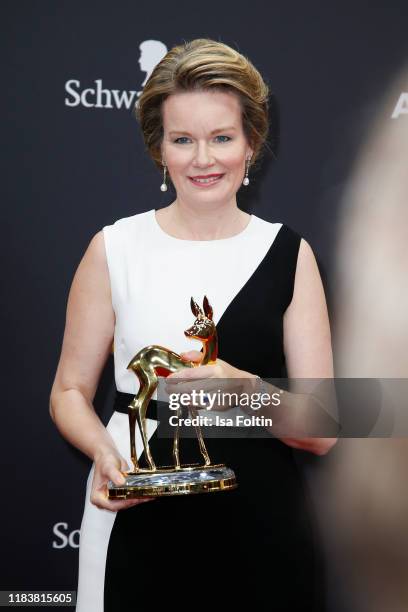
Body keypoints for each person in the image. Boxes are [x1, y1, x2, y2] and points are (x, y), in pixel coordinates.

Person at [49, 38, 336, 612]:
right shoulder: (115, 248)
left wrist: (247, 392)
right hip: (136, 510)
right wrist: (103, 452)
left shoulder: (289, 254)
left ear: (251, 142)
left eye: (222, 137)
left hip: (262, 525)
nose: (203, 159)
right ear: (159, 148)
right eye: (183, 140)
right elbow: (69, 391)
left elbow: (324, 425)